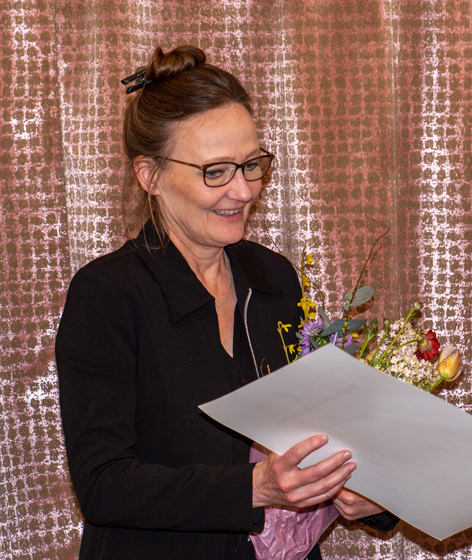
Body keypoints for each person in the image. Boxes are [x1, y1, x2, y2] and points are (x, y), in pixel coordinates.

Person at [56, 45, 395, 560]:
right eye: (215, 171)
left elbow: (321, 430)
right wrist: (254, 488)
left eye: (252, 164)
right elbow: (104, 485)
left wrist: (369, 492)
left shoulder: (274, 278)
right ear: (150, 175)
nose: (243, 191)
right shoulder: (109, 293)